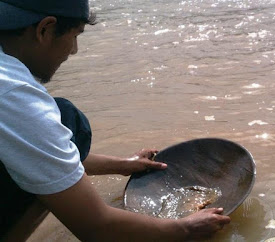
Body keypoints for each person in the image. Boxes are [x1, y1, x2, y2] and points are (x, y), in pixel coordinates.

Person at [0, 0, 231, 241]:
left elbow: (34, 150)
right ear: (45, 29)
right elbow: (97, 227)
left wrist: (123, 165)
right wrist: (185, 228)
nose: (74, 50)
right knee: (68, 120)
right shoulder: (15, 95)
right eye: (75, 35)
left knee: (65, 121)